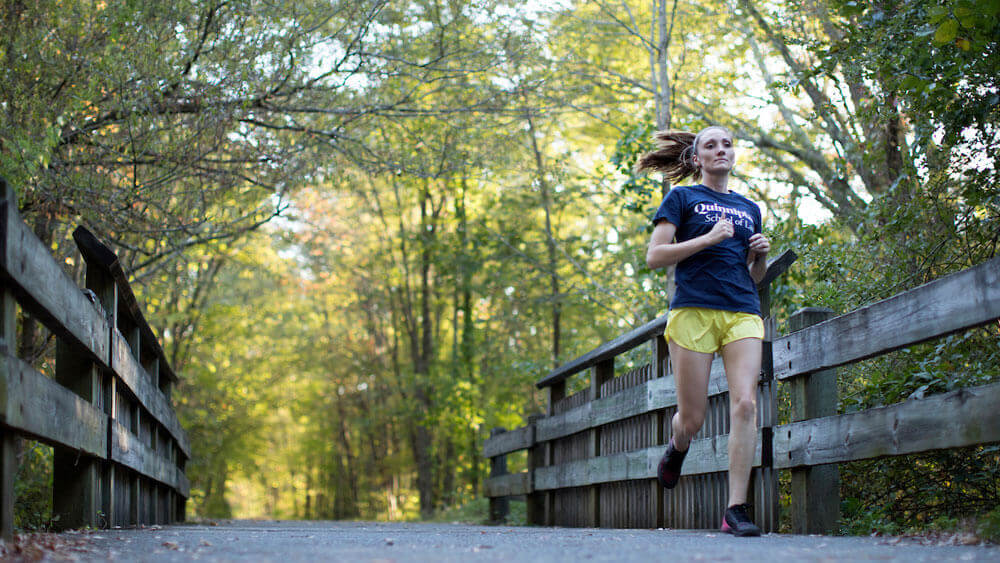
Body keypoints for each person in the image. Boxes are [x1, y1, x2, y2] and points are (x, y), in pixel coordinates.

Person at [637, 125, 770, 537]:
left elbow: (754, 276)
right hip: (693, 311)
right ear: (696, 159)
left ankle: (735, 509)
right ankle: (678, 448)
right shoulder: (682, 198)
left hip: (742, 311)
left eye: (727, 144)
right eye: (710, 145)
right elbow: (655, 256)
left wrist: (758, 258)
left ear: (734, 155)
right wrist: (708, 238)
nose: (720, 150)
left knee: (746, 404)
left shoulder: (750, 208)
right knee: (692, 419)